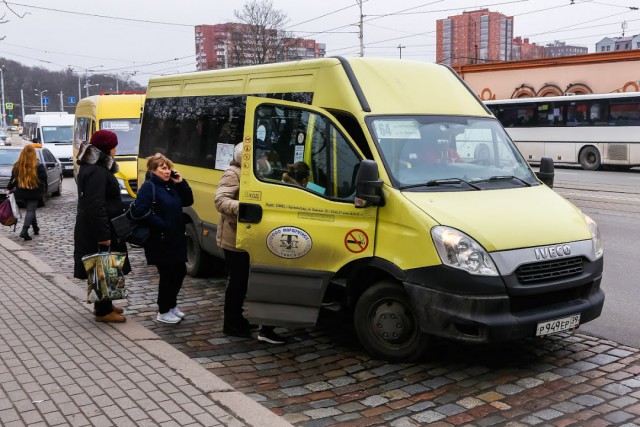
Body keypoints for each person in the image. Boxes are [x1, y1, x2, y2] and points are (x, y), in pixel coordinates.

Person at [215, 142, 286, 344]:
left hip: (246, 236)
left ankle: (238, 319)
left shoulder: (254, 173)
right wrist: (244, 207)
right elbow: (220, 200)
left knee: (243, 281)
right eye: (259, 156)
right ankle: (231, 324)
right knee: (236, 283)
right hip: (234, 237)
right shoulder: (233, 173)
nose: (263, 159)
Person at [73, 130, 131, 323]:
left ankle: (105, 303)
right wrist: (103, 234)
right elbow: (95, 205)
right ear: (107, 148)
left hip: (102, 225)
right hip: (99, 227)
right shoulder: (96, 171)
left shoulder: (95, 167)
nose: (116, 149)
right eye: (114, 145)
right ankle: (104, 312)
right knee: (104, 266)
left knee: (107, 266)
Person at [130, 153, 193, 324]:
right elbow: (139, 211)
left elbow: (188, 201)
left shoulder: (171, 186)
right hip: (160, 239)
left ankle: (171, 305)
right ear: (153, 170)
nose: (167, 171)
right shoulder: (148, 187)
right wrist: (162, 224)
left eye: (169, 168)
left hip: (176, 237)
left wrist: (181, 182)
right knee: (168, 275)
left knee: (179, 272)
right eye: (163, 168)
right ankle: (163, 310)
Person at [6, 144, 48, 241]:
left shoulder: (17, 166)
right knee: (30, 211)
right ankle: (24, 231)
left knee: (30, 210)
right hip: (34, 192)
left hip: (21, 192)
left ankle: (35, 228)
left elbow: (13, 180)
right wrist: (44, 191)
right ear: (34, 154)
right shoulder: (39, 166)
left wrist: (9, 189)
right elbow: (44, 179)